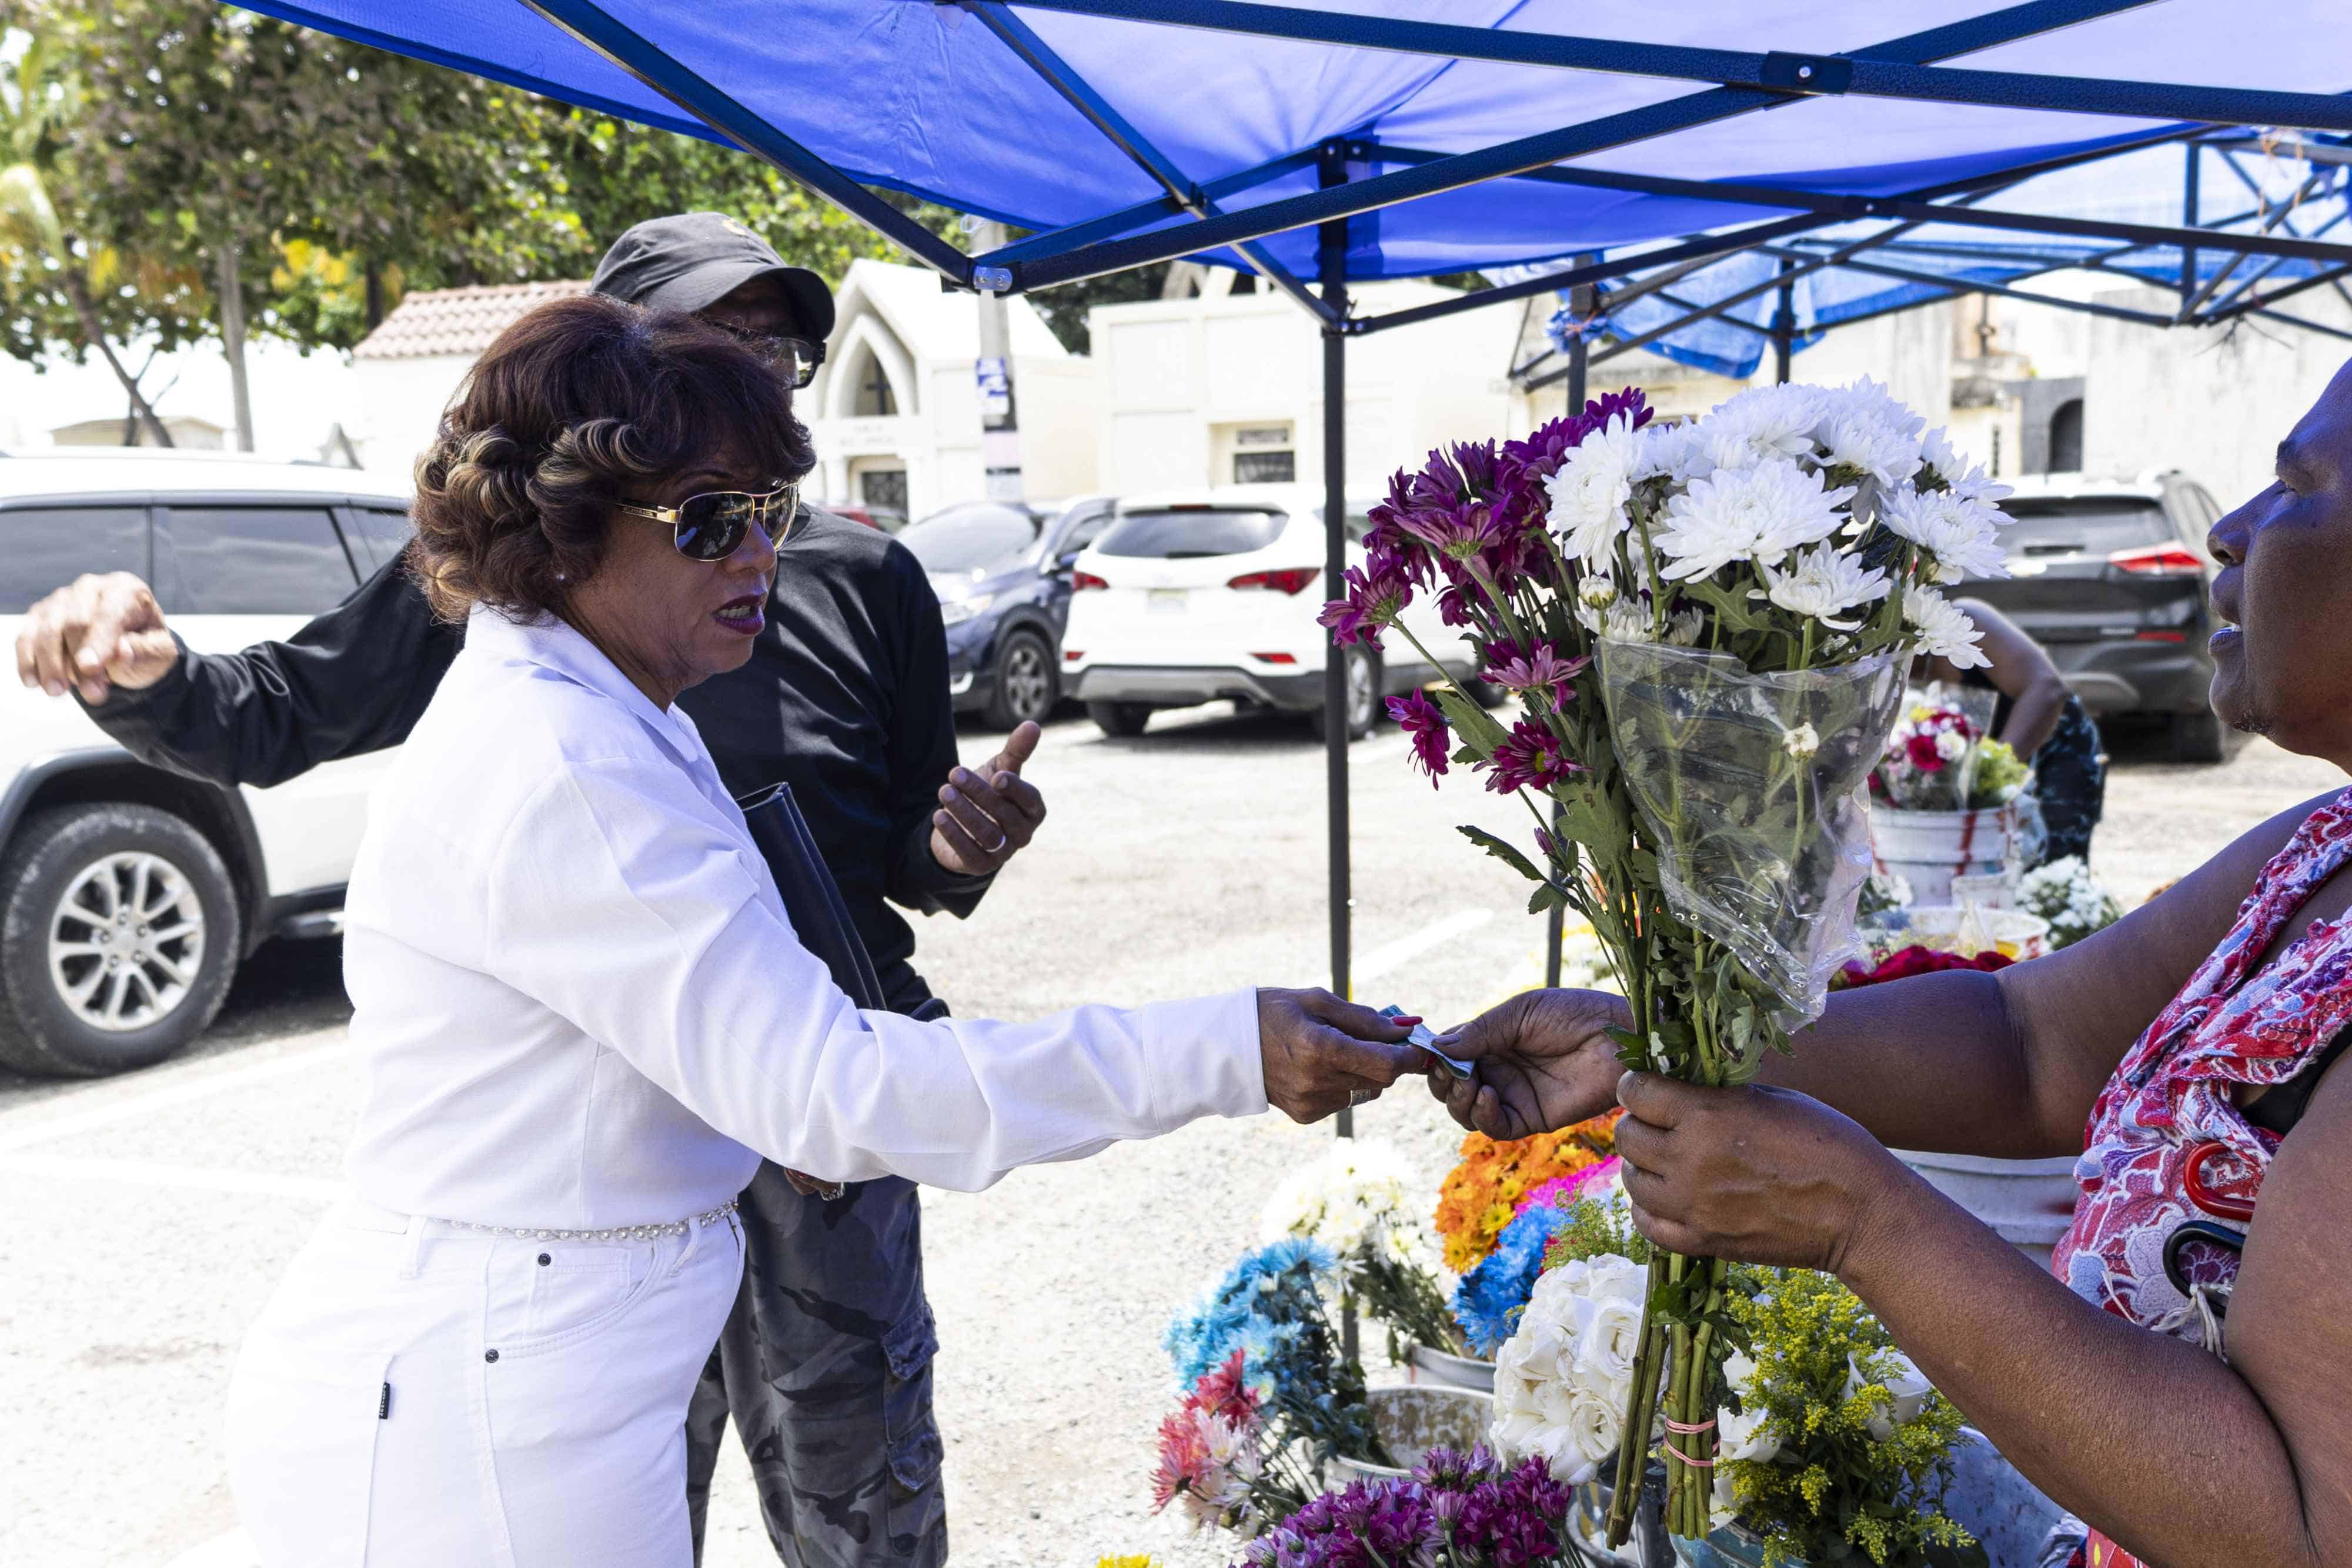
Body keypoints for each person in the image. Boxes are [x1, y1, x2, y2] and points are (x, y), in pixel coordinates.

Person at [218, 294, 1423, 1568]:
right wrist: (1224, 1046)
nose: (758, 556)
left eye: (770, 512)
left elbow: (697, 1029)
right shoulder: (566, 755)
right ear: (559, 535)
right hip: (486, 1417)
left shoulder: (615, 703)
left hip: (531, 1372)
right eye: (708, 520)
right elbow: (830, 1087)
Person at [11, 215, 1008, 1566]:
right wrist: (149, 676)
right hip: (613, 1156)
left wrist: (957, 850)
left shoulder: (861, 575)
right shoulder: (527, 581)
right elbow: (281, 713)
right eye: (720, 343)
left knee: (863, 1494)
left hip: (829, 1124)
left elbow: (902, 851)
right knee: (633, 1478)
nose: (761, 378)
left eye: (783, 351)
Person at [1430, 362, 2352, 1568]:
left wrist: (1855, 1218)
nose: (2228, 531)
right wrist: (1650, 1045)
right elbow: (2033, 1042)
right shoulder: (2317, 851)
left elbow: (2297, 1531)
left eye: (2294, 484)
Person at [1922, 596, 2106, 867]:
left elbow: (2048, 689)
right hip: (1975, 780)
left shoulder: (1961, 619)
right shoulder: (1861, 660)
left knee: (2049, 876)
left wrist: (1992, 779)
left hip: (2052, 750)